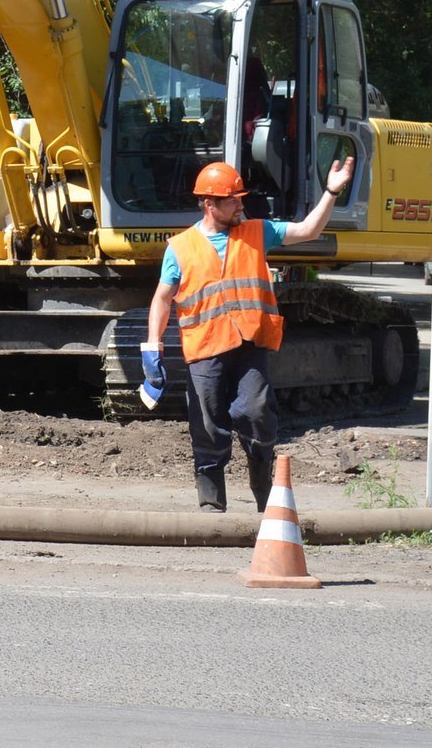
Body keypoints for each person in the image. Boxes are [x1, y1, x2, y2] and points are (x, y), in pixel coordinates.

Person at [140, 155, 355, 512]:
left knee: (257, 413)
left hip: (249, 343)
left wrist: (331, 191)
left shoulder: (258, 232)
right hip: (205, 348)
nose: (241, 204)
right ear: (210, 204)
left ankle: (260, 474)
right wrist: (152, 346)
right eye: (233, 200)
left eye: (240, 197)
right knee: (207, 424)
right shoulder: (179, 247)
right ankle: (211, 499)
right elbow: (162, 299)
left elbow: (308, 231)